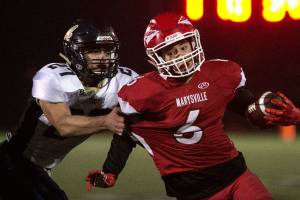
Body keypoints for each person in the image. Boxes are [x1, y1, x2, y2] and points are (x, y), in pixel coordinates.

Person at [86, 13, 274, 200]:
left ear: (194, 43)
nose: (181, 56)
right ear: (155, 58)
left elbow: (246, 107)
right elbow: (125, 135)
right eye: (171, 52)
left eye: (183, 47)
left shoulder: (217, 74)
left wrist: (265, 111)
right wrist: (110, 171)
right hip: (193, 191)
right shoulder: (144, 94)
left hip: (235, 174)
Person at [0, 20, 138, 200]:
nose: (103, 56)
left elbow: (127, 130)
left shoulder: (124, 81)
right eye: (94, 50)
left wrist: (111, 170)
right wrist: (105, 121)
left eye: (107, 49)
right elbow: (63, 124)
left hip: (37, 170)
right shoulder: (53, 76)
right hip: (11, 162)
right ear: (75, 52)